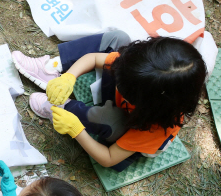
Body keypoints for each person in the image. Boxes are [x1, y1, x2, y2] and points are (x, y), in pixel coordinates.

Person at [14, 32, 207, 171]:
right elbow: (93, 58)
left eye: (125, 90)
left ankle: (63, 108)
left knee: (107, 117)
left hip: (127, 132)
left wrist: (76, 130)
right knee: (117, 37)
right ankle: (50, 68)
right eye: (121, 79)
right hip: (133, 98)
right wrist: (69, 77)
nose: (118, 87)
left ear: (151, 103)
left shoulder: (154, 128)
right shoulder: (140, 66)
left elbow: (108, 159)